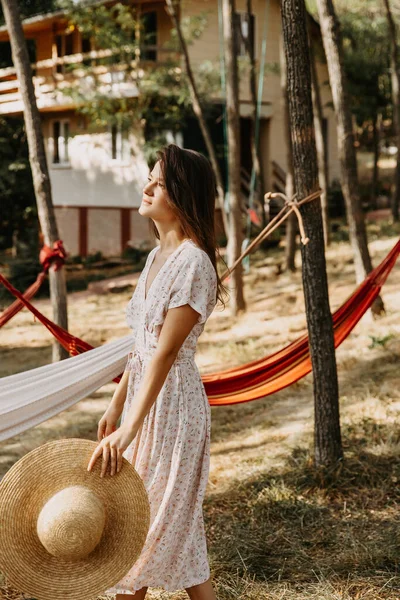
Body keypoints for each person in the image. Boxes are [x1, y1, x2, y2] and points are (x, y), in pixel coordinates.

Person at [87, 143, 228, 599]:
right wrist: (116, 405)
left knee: (140, 532)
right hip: (144, 403)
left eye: (160, 183)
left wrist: (130, 428)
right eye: (149, 177)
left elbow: (166, 356)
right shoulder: (154, 258)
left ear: (182, 195)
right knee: (175, 532)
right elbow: (141, 349)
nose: (146, 187)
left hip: (174, 412)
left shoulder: (193, 262)